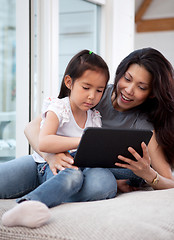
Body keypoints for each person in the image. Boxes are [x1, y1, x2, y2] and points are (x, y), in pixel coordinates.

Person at [24, 47, 174, 192]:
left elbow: (169, 181)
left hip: (92, 174)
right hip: (58, 165)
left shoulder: (144, 126)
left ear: (152, 94)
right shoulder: (95, 93)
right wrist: (50, 157)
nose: (129, 90)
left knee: (100, 185)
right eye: (127, 79)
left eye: (141, 87)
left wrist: (148, 174)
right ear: (119, 73)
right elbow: (31, 128)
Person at [1, 49, 116, 228]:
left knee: (76, 177)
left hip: (67, 171)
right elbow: (45, 142)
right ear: (69, 82)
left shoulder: (94, 117)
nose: (92, 96)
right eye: (86, 88)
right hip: (40, 166)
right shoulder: (59, 107)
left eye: (99, 90)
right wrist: (84, 141)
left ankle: (28, 204)